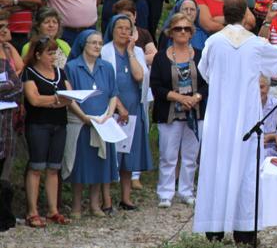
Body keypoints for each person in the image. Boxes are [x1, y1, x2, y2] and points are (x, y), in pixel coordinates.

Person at [193, 0, 277, 245]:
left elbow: (205, 72)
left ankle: (214, 229)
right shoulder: (256, 44)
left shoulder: (213, 41)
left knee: (217, 165)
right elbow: (275, 65)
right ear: (245, 14)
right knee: (245, 170)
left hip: (220, 116)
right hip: (245, 116)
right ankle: (244, 231)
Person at [150, 13, 207, 208]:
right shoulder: (160, 57)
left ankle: (186, 191)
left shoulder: (201, 55)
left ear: (192, 33)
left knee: (191, 155)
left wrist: (195, 98)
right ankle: (165, 193)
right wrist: (180, 98)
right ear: (170, 32)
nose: (182, 32)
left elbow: (208, 82)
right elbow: (156, 86)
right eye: (178, 28)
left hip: (195, 111)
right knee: (168, 154)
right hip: (169, 112)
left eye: (186, 29)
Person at [63, 30, 118, 218]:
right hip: (81, 122)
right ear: (83, 45)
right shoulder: (72, 67)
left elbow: (113, 94)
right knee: (80, 164)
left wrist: (109, 115)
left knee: (99, 164)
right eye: (93, 42)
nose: (97, 46)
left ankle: (95, 205)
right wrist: (84, 117)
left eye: (100, 43)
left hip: (103, 122)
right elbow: (69, 98)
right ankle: (77, 205)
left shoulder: (107, 67)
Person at [101, 15, 153, 210]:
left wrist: (130, 52)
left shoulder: (137, 51)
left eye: (127, 29)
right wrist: (118, 106)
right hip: (111, 109)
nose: (124, 32)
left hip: (134, 109)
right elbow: (106, 83)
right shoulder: (105, 52)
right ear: (112, 30)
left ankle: (125, 197)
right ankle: (106, 200)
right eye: (119, 28)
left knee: (128, 156)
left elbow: (139, 76)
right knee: (108, 155)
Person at [22, 36, 72, 227]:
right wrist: (55, 100)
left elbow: (70, 95)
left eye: (55, 52)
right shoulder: (30, 73)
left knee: (54, 168)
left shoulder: (60, 72)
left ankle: (53, 210)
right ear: (38, 54)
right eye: (49, 53)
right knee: (36, 167)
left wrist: (52, 100)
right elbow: (33, 99)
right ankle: (32, 211)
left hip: (60, 124)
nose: (54, 56)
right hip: (38, 124)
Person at [0, 13, 21, 230]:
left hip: (7, 120)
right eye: (1, 27)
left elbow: (17, 84)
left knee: (6, 169)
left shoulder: (7, 53)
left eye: (7, 26)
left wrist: (7, 47)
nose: (5, 31)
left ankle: (5, 216)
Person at [112, 0, 157, 66]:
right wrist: (143, 57)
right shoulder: (113, 34)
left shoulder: (144, 33)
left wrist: (128, 59)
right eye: (121, 17)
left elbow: (155, 58)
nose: (126, 19)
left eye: (128, 16)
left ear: (135, 15)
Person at [260, 75, 277, 157]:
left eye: (262, 87)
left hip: (271, 152)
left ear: (268, 88)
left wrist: (270, 136)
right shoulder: (244, 107)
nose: (259, 91)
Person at [0, 9, 23, 77]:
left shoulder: (8, 47)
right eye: (0, 26)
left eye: (7, 26)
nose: (5, 30)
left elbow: (21, 68)